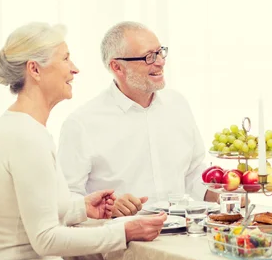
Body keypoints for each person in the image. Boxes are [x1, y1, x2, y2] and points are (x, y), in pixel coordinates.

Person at [0, 23, 165, 260]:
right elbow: (46, 239)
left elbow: (30, 211)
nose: (75, 69)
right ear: (35, 69)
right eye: (66, 58)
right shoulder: (25, 137)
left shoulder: (22, 127)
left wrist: (82, 208)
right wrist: (124, 232)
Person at [58, 21, 212, 217]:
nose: (160, 62)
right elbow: (65, 198)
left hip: (181, 235)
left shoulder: (178, 104)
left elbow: (193, 172)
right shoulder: (81, 123)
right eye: (149, 57)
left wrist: (223, 193)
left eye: (160, 52)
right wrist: (108, 207)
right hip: (122, 241)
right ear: (117, 67)